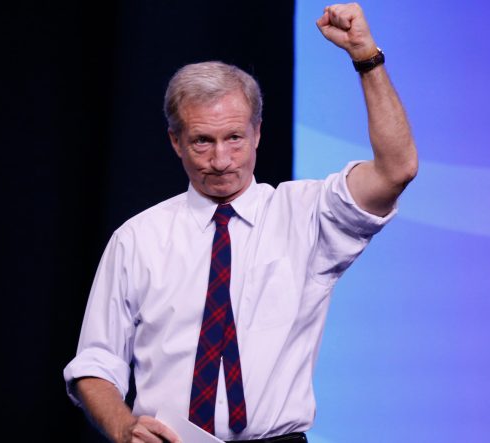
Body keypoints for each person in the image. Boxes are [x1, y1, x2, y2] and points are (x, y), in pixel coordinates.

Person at [63, 3, 417, 442]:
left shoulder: (307, 215)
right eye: (202, 142)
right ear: (175, 142)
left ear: (258, 133)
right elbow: (96, 362)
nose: (221, 160)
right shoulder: (138, 238)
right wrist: (122, 426)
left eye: (234, 138)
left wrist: (366, 57)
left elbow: (396, 169)